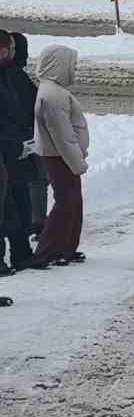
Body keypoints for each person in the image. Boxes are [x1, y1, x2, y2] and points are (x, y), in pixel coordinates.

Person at [29, 45, 88, 269]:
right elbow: (62, 135)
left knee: (72, 202)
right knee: (66, 203)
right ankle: (47, 251)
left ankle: (65, 248)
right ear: (58, 65)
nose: (74, 68)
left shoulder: (54, 91)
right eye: (71, 64)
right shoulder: (52, 95)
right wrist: (77, 162)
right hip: (59, 156)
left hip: (63, 156)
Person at [0, 31, 37, 274]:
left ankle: (22, 252)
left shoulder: (12, 74)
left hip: (19, 151)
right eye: (12, 49)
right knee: (6, 208)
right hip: (7, 150)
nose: (15, 54)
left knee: (20, 205)